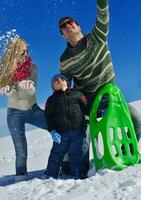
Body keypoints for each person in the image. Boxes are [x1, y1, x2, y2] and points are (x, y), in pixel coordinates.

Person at [58, 0, 141, 174]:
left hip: (109, 96)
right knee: (82, 136)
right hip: (86, 100)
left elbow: (103, 14)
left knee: (137, 121)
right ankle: (78, 169)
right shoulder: (65, 59)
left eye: (70, 22)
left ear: (78, 26)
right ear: (63, 36)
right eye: (63, 27)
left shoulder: (97, 37)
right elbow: (66, 84)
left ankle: (123, 153)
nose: (67, 26)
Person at [0, 37, 54, 181]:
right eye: (21, 52)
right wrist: (8, 89)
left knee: (55, 125)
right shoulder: (5, 69)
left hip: (32, 109)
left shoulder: (32, 67)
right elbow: (10, 92)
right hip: (14, 114)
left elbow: (31, 91)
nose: (25, 54)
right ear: (13, 53)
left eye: (26, 51)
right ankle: (21, 176)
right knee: (20, 148)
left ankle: (64, 160)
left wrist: (29, 85)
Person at [44, 74, 87, 179]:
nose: (58, 80)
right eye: (55, 80)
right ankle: (50, 175)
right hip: (60, 134)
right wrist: (52, 131)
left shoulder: (77, 94)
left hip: (77, 132)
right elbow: (48, 117)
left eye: (62, 78)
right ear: (52, 86)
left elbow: (86, 108)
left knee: (75, 154)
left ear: (67, 83)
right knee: (56, 154)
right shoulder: (51, 99)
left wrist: (98, 113)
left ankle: (77, 174)